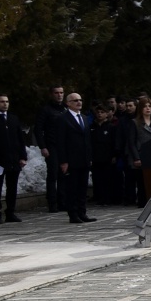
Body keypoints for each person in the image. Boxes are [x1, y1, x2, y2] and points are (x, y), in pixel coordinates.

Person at [53, 91, 96, 224]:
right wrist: (63, 161)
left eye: (80, 100)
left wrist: (89, 157)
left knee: (82, 188)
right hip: (71, 159)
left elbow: (87, 139)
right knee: (72, 188)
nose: (79, 102)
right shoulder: (62, 118)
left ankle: (82, 212)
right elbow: (60, 141)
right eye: (75, 100)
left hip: (84, 158)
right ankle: (73, 214)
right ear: (68, 103)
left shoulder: (83, 118)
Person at [0, 93, 27, 223]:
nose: (5, 104)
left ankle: (10, 212)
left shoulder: (13, 118)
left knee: (12, 187)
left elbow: (20, 139)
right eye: (2, 101)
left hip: (14, 158)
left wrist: (23, 156)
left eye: (7, 101)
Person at [35, 86, 66, 213]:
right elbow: (38, 129)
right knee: (53, 174)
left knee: (64, 174)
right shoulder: (46, 110)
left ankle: (62, 202)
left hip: (64, 146)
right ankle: (52, 203)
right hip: (51, 146)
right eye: (56, 93)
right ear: (51, 94)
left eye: (61, 93)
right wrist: (43, 146)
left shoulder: (65, 109)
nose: (59, 95)